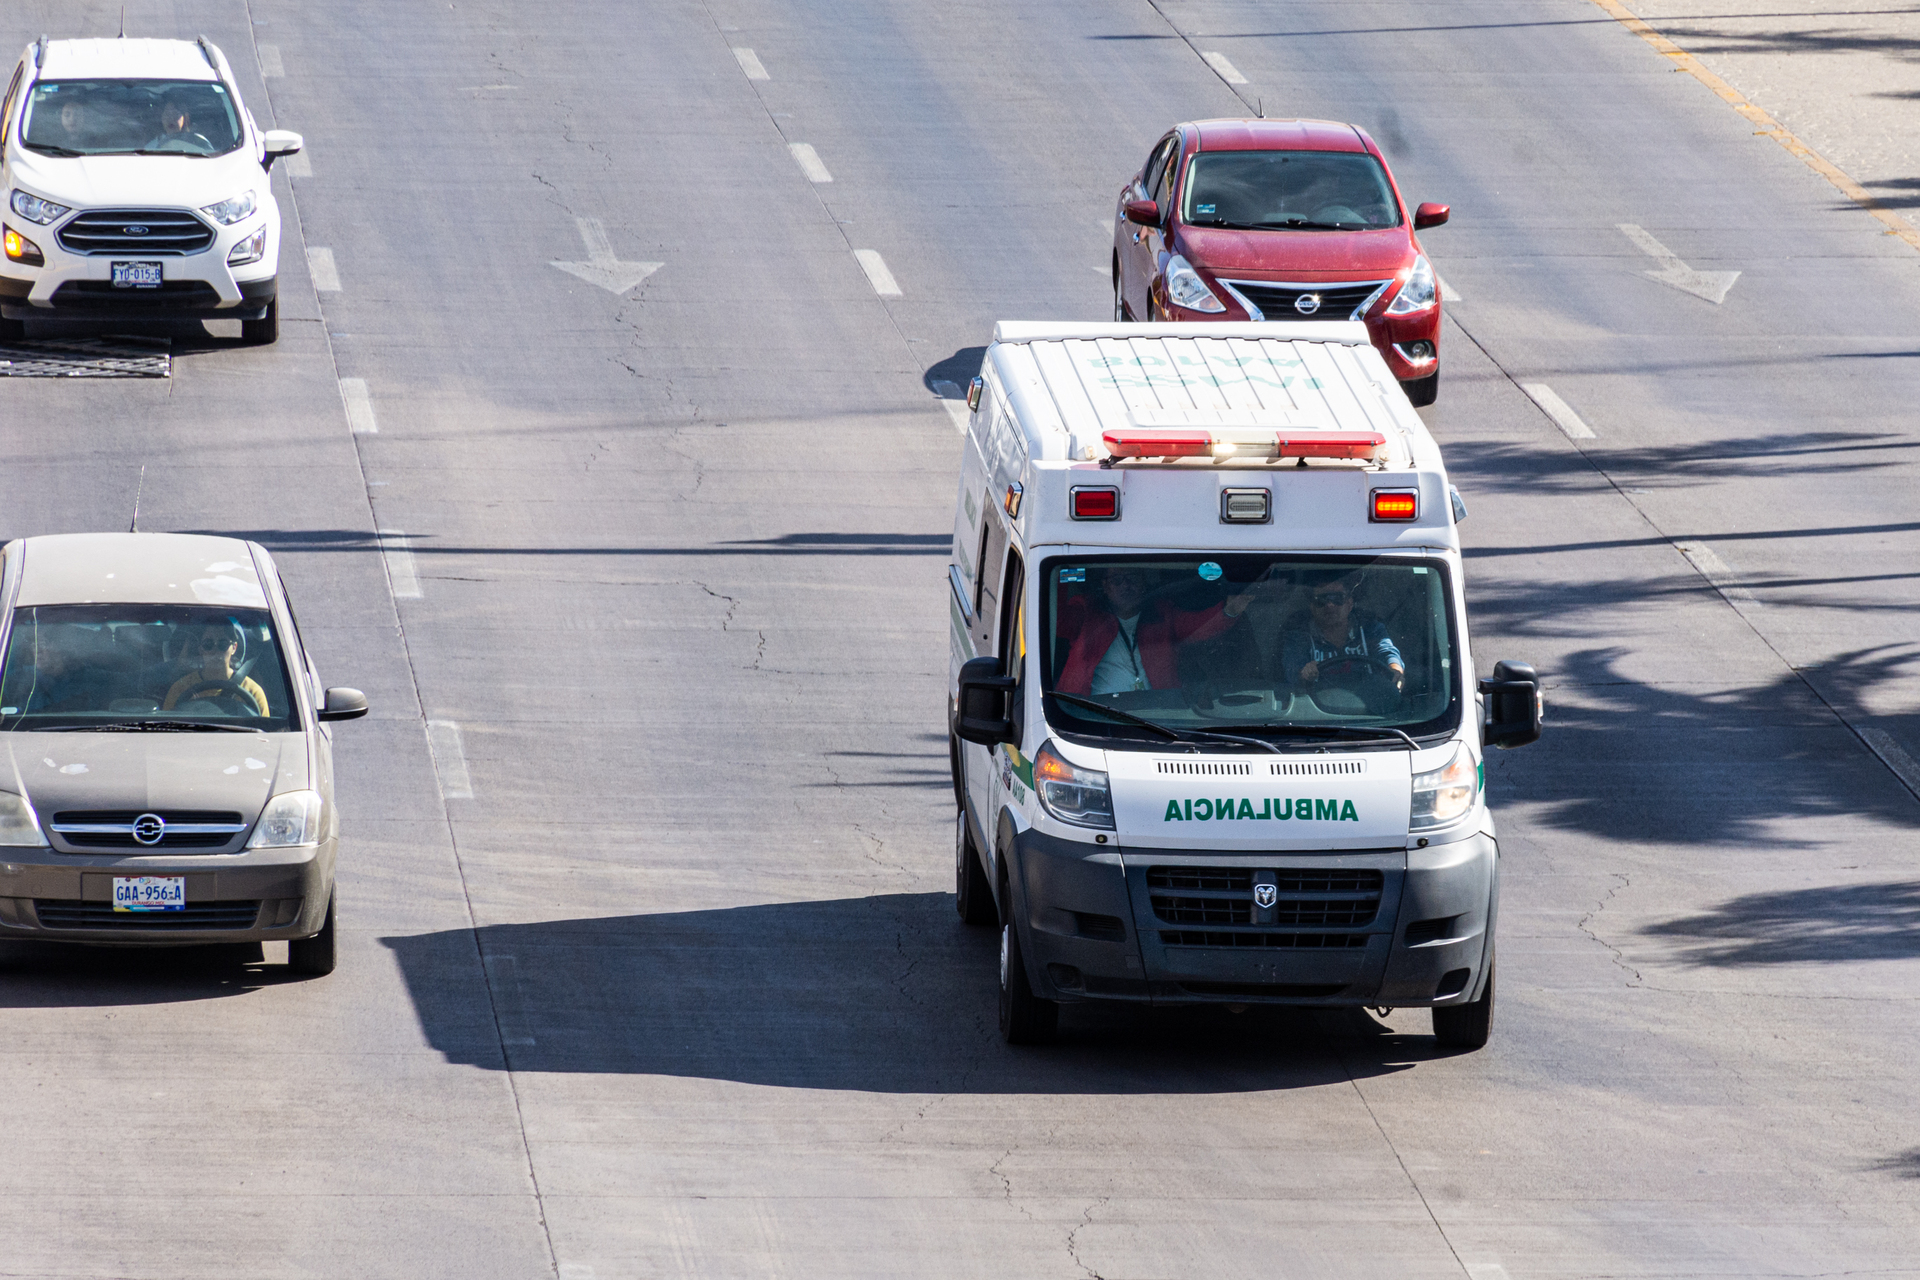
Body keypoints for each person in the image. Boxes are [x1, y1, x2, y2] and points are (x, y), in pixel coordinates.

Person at [1056, 565, 1261, 697]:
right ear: (1105, 587)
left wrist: (1231, 610)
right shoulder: (1086, 611)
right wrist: (1058, 574)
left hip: (1155, 714)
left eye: (1132, 578)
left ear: (1144, 583)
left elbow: (1197, 627)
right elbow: (1058, 621)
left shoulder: (1162, 612)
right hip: (1090, 713)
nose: (1125, 585)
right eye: (1117, 580)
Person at [1282, 573, 1404, 694]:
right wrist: (1305, 673)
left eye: (1337, 598)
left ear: (1349, 604)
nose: (1330, 605)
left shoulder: (1370, 629)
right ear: (1312, 607)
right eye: (1322, 600)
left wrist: (1395, 671)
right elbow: (1293, 670)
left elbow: (1387, 652)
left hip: (1371, 708)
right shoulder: (1299, 636)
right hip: (1316, 709)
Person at [163, 624, 268, 715]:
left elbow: (264, 734)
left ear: (234, 648)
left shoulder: (253, 692)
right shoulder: (180, 689)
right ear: (200, 648)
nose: (215, 650)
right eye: (208, 644)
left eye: (223, 644)